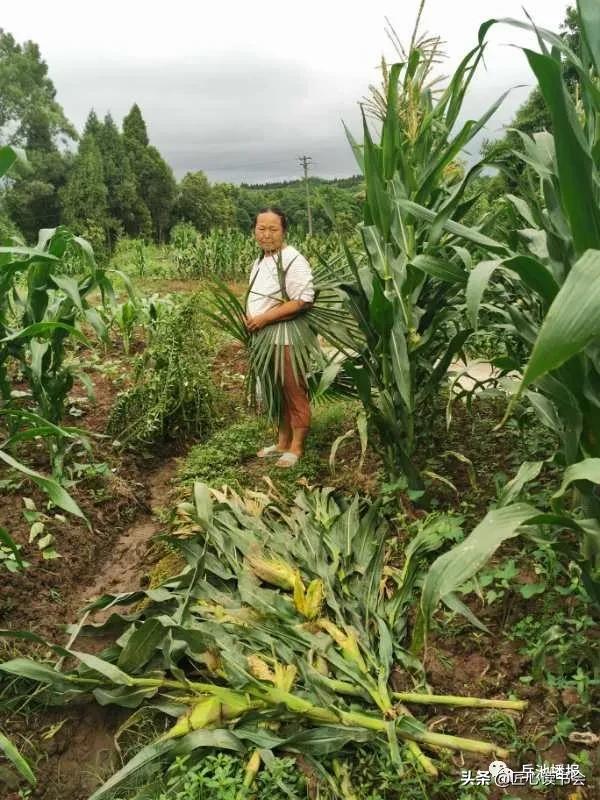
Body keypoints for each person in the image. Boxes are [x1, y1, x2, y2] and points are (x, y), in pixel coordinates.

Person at [245, 207, 314, 468]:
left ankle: (297, 447)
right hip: (264, 337)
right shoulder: (260, 261)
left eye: (273, 229)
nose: (266, 234)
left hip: (287, 335)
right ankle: (283, 442)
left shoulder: (293, 259)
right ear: (254, 231)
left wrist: (264, 318)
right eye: (261, 229)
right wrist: (249, 316)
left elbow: (303, 300)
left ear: (284, 231)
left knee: (293, 389)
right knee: (277, 391)